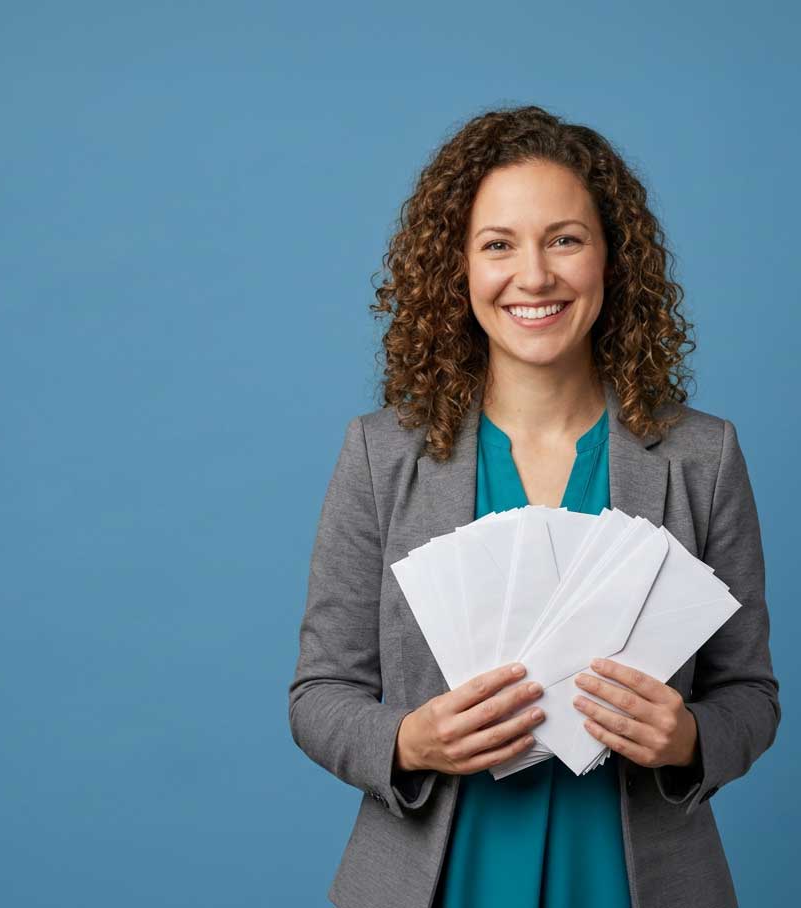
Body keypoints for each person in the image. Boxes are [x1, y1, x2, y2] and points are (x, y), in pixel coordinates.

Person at [288, 105, 780, 908]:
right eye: (498, 244)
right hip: (441, 879)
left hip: (634, 881)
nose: (535, 276)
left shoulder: (703, 456)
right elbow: (319, 695)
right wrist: (409, 741)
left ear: (611, 259)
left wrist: (689, 739)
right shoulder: (381, 455)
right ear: (459, 269)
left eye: (565, 238)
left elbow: (750, 695)